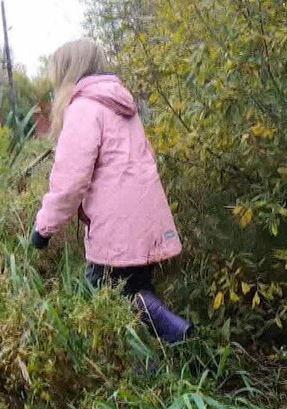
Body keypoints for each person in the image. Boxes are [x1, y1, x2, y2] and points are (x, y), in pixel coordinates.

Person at [30, 39, 191, 344]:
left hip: (116, 226)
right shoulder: (121, 103)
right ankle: (164, 361)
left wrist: (43, 228)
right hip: (144, 218)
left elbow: (69, 182)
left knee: (105, 295)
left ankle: (177, 338)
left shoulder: (84, 108)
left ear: (68, 71)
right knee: (135, 293)